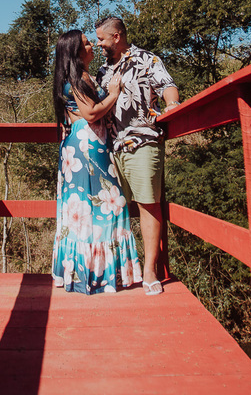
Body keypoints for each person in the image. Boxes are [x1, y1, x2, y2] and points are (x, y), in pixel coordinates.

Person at [50, 29, 143, 294]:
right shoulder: (78, 77)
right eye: (87, 43)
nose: (92, 46)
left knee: (89, 209)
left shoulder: (79, 77)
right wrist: (113, 93)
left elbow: (87, 111)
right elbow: (91, 113)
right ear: (76, 53)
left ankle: (88, 274)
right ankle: (96, 275)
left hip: (84, 145)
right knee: (105, 206)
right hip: (87, 146)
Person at [94, 16, 180, 296]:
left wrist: (172, 104)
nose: (98, 45)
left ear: (116, 36)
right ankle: (121, 269)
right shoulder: (103, 71)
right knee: (115, 209)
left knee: (147, 204)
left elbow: (167, 84)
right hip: (111, 147)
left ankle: (150, 271)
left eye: (101, 40)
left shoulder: (146, 59)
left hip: (142, 141)